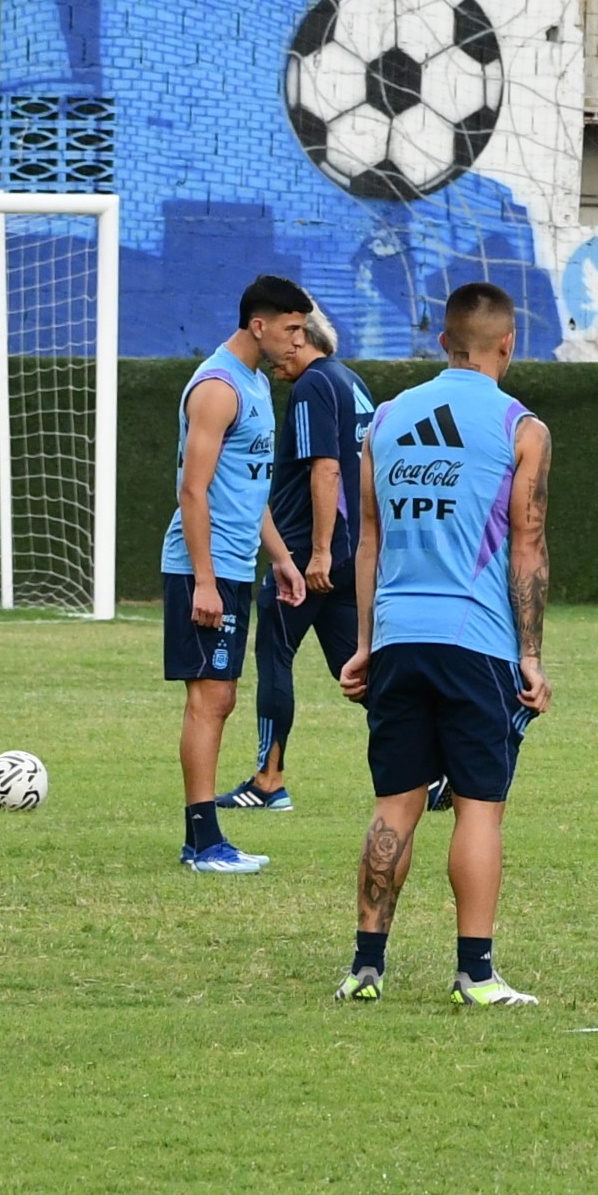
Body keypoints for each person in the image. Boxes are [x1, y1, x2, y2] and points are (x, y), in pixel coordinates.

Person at [334, 282, 553, 1006]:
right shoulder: (523, 428)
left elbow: (366, 539)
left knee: (393, 804)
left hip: (397, 636)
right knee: (478, 807)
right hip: (476, 641)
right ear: (507, 344)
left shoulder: (386, 419)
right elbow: (527, 544)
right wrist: (530, 656)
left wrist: (364, 641)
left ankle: (366, 966)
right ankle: (476, 973)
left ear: (441, 343)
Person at [164, 275, 313, 875]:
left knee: (220, 698)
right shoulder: (219, 387)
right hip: (205, 568)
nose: (297, 341)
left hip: (233, 564)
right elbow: (193, 490)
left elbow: (248, 493)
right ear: (260, 325)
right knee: (211, 699)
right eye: (291, 329)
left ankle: (203, 840)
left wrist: (280, 558)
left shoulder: (254, 383)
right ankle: (203, 842)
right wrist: (203, 580)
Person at [230, 308, 371, 816]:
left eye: (286, 337)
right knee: (356, 672)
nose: (272, 361)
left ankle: (269, 780)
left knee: (274, 656)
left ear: (301, 339)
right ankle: (437, 766)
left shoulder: (313, 385)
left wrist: (316, 554)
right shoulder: (351, 381)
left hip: (308, 558)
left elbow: (327, 470)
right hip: (351, 556)